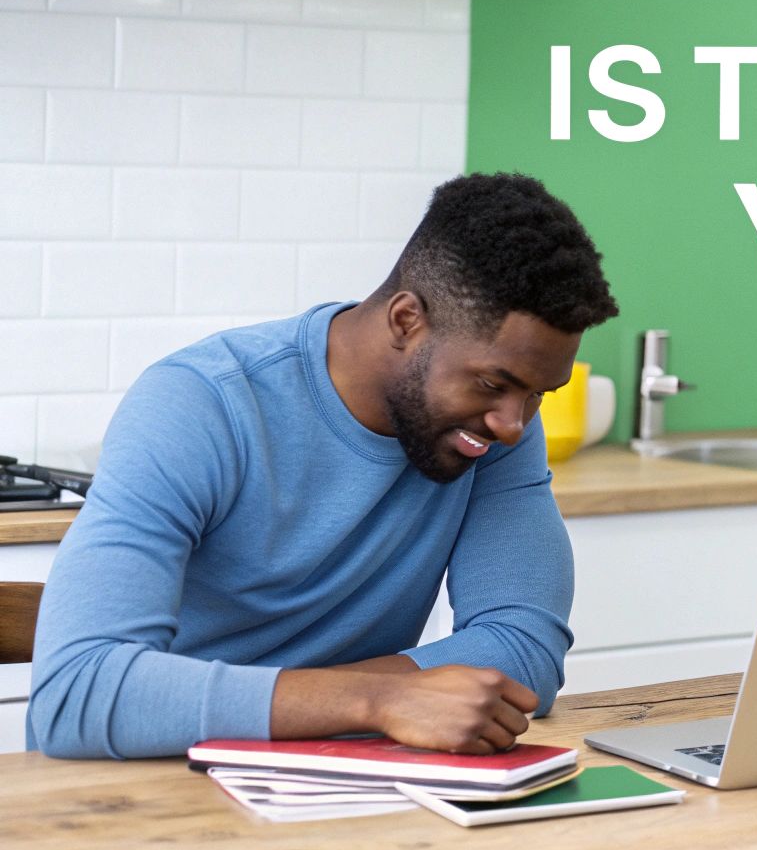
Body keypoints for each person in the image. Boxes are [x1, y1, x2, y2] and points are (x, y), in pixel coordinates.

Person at [30, 172, 619, 759]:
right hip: (147, 782)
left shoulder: (491, 428)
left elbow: (524, 648)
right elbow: (78, 693)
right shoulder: (202, 404)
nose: (515, 422)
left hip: (342, 777)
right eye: (494, 383)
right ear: (406, 321)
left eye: (539, 393)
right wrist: (376, 701)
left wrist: (366, 707)